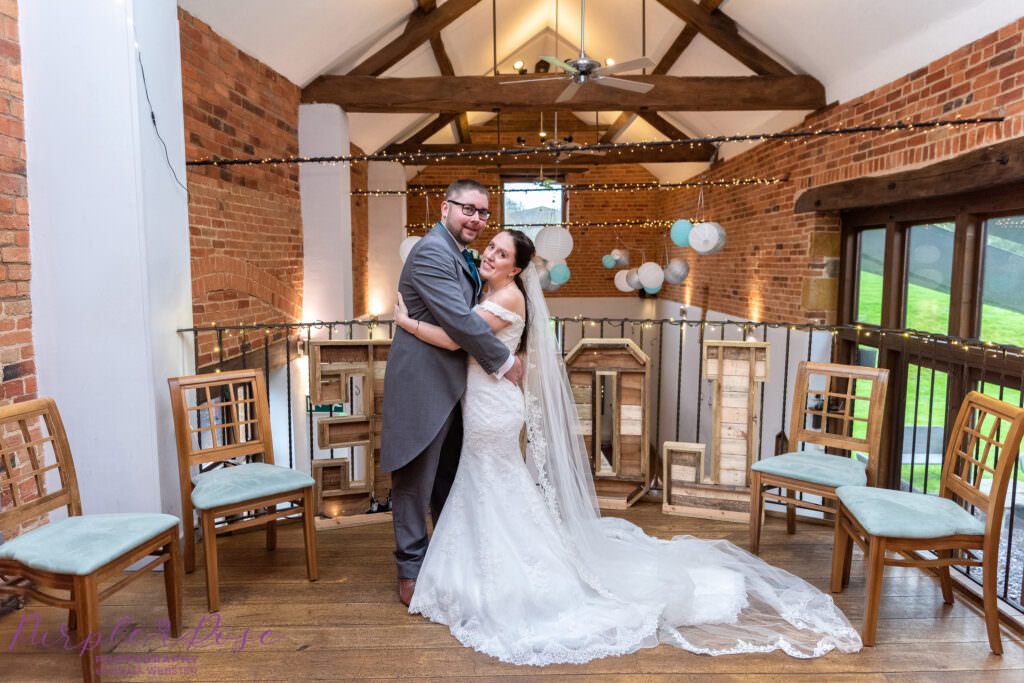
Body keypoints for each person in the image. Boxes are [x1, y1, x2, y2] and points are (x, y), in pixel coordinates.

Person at [392, 228, 863, 665]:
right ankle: (477, 566)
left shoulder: (507, 296)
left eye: (500, 253)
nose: (489, 255)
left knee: (492, 480)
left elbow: (457, 339)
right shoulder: (493, 291)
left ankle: (513, 575)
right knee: (489, 481)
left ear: (517, 269)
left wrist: (406, 322)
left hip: (492, 409)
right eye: (489, 248)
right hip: (486, 401)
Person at [381, 179, 524, 608]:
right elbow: (462, 323)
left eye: (483, 213)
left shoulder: (458, 254)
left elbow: (470, 319)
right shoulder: (430, 252)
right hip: (423, 387)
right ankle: (410, 573)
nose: (477, 220)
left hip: (458, 389)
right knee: (413, 481)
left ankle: (447, 561)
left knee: (447, 479)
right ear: (445, 208)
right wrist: (502, 361)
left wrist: (409, 323)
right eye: (469, 210)